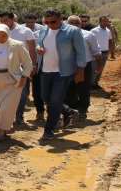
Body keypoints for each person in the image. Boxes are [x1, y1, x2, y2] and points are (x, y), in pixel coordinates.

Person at [37, 9, 87, 140]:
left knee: (55, 101)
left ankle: (49, 130)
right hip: (45, 70)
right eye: (46, 22)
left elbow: (81, 52)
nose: (49, 25)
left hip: (63, 72)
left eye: (52, 22)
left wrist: (80, 69)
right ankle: (69, 111)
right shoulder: (43, 30)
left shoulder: (73, 31)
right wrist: (38, 48)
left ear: (61, 19)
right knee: (45, 98)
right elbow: (39, 43)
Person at [0, 12, 37, 125]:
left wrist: (33, 65)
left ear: (12, 20)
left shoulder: (25, 31)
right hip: (3, 68)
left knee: (21, 93)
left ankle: (19, 116)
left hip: (21, 68)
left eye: (5, 20)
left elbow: (32, 49)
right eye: (1, 20)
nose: (3, 22)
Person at [66, 15, 103, 119]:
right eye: (71, 23)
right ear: (67, 24)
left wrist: (99, 66)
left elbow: (96, 51)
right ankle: (71, 110)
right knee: (69, 89)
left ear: (80, 24)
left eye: (76, 23)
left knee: (83, 89)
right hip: (67, 66)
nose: (73, 25)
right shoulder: (62, 35)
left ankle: (82, 110)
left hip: (84, 66)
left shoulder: (88, 35)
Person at [24, 13, 46, 120]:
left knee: (43, 90)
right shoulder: (24, 31)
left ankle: (45, 111)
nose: (30, 24)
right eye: (28, 22)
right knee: (32, 89)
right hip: (29, 63)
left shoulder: (42, 29)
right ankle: (39, 111)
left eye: (32, 22)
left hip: (46, 65)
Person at [91, 16, 116, 90]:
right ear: (100, 22)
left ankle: (96, 83)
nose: (106, 23)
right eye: (104, 21)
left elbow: (110, 41)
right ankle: (91, 84)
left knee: (101, 69)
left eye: (107, 21)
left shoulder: (108, 31)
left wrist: (111, 51)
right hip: (96, 53)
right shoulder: (94, 31)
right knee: (94, 69)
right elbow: (90, 41)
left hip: (105, 52)